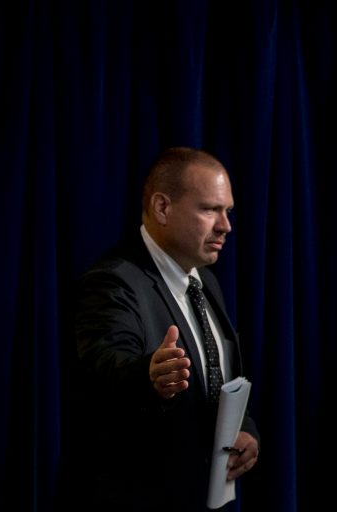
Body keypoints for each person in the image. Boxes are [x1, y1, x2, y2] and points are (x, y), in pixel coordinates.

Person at [74, 147, 259, 511]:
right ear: (162, 208)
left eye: (228, 211)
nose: (225, 226)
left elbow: (218, 383)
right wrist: (150, 374)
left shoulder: (205, 281)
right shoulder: (113, 282)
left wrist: (245, 429)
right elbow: (105, 365)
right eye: (210, 210)